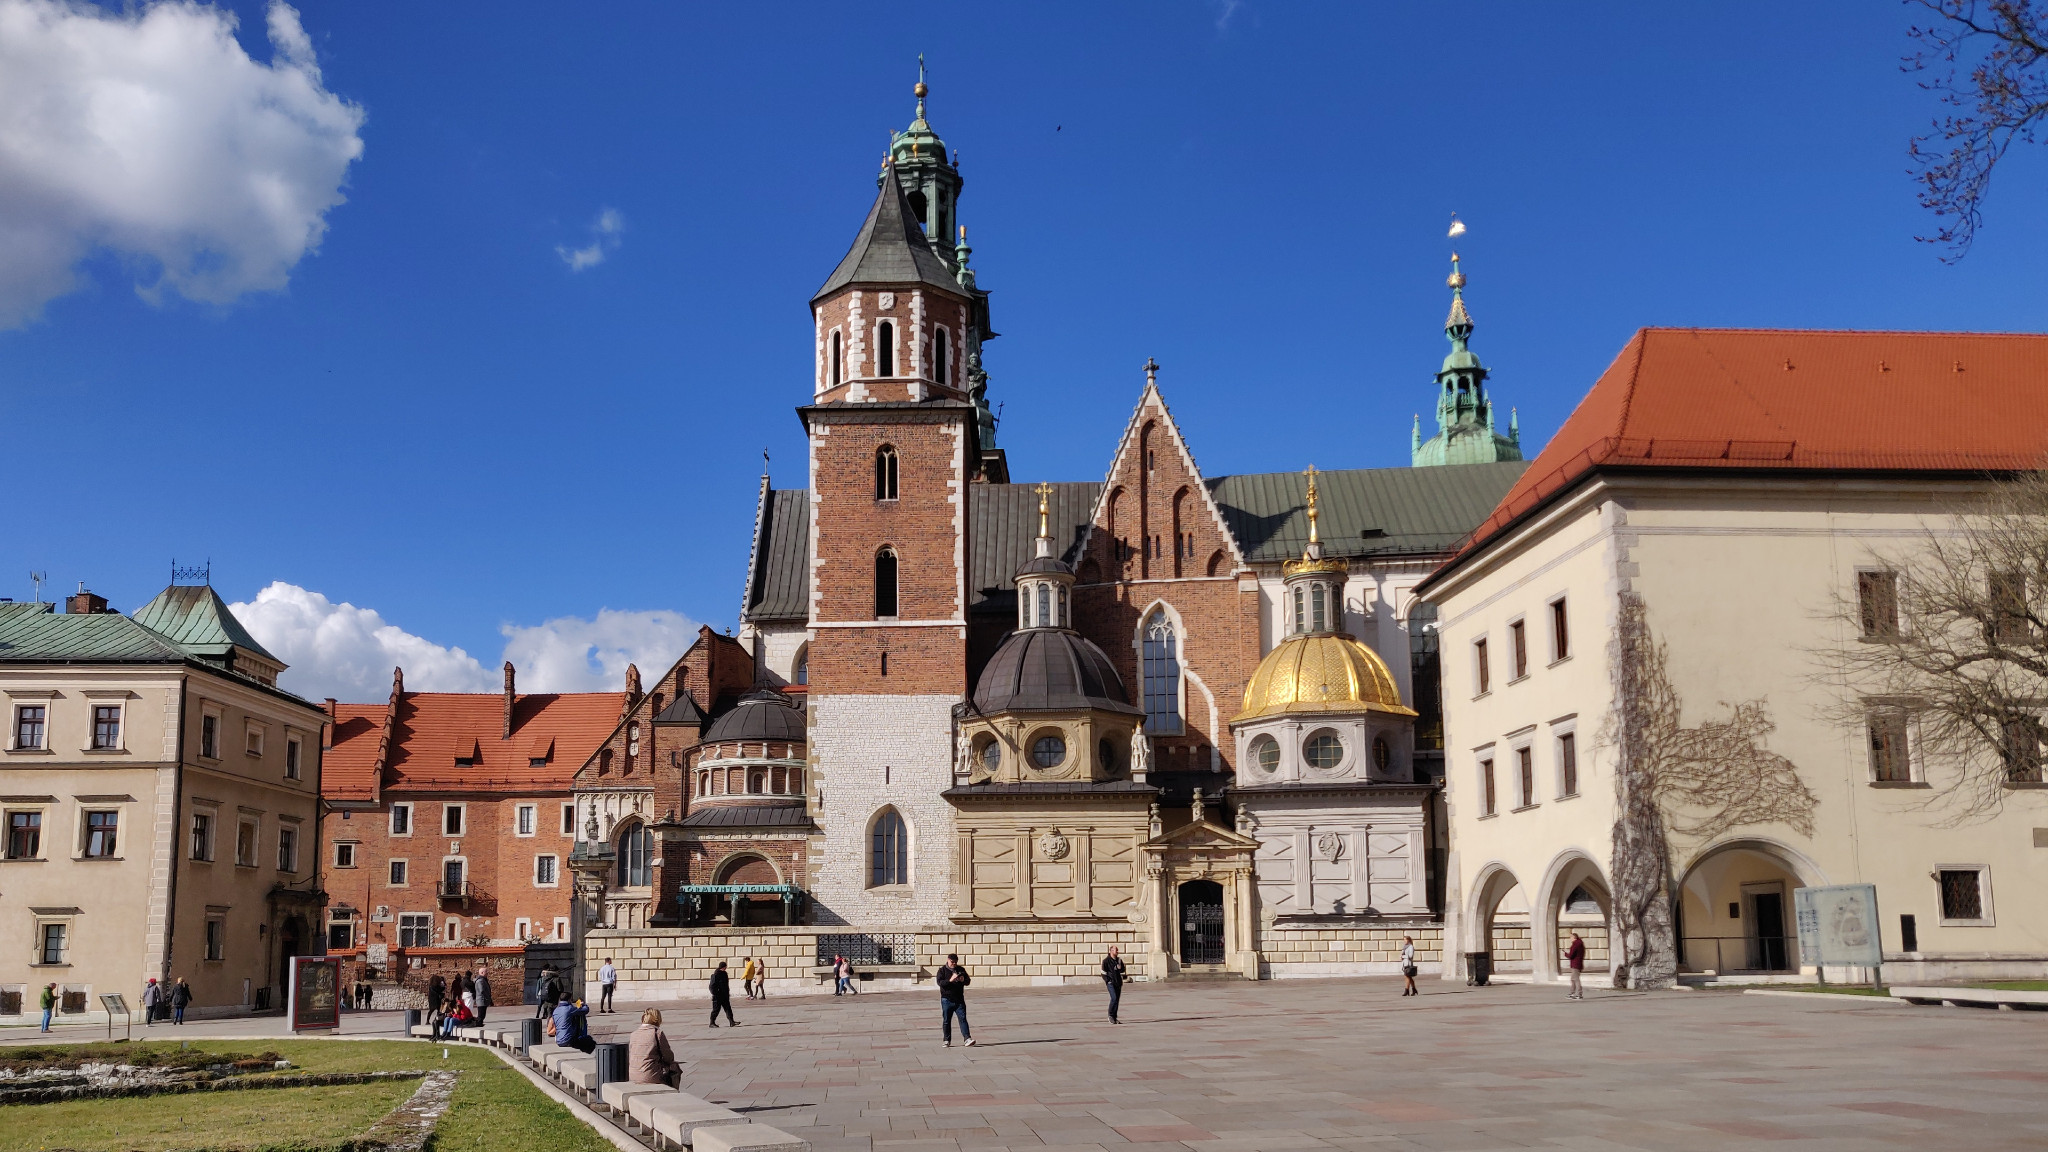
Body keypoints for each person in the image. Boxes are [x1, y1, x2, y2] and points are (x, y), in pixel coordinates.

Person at [629, 1008, 682, 1088]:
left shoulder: (634, 1034)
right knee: (675, 1068)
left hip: (633, 1075)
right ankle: (672, 1092)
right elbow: (668, 1056)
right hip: (650, 1076)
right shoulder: (657, 1033)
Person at [937, 954, 974, 1047]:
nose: (954, 964)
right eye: (952, 962)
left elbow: (968, 981)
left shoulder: (961, 969)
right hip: (946, 999)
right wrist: (950, 980)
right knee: (946, 1020)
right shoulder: (942, 970)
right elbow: (940, 983)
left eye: (955, 962)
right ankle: (946, 1040)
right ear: (948, 960)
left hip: (959, 999)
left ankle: (967, 1038)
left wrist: (963, 979)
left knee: (963, 1019)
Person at [1100, 945, 1127, 1023]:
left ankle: (1114, 1017)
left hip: (1118, 982)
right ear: (1111, 951)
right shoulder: (1106, 961)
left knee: (1117, 1000)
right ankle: (1110, 1016)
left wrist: (1120, 968)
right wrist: (1108, 980)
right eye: (1116, 950)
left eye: (1117, 950)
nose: (1117, 951)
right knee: (1114, 998)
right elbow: (1103, 973)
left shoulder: (1119, 960)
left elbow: (1122, 970)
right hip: (1111, 983)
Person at [708, 961, 737, 1027]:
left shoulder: (724, 974)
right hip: (717, 996)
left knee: (728, 1008)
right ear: (723, 967)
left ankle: (732, 1022)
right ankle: (712, 1023)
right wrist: (715, 993)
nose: (726, 968)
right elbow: (712, 986)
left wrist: (727, 993)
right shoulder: (715, 975)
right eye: (725, 967)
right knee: (716, 1010)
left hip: (724, 995)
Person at [1564, 931, 1586, 1000]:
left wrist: (1566, 954)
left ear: (1574, 937)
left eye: (1571, 937)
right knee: (1573, 979)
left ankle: (1579, 994)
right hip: (1578, 963)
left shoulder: (1575, 945)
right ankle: (1572, 993)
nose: (1570, 938)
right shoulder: (1580, 944)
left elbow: (1571, 955)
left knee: (1576, 979)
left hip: (1575, 964)